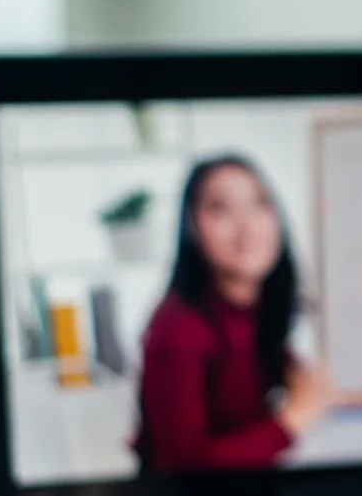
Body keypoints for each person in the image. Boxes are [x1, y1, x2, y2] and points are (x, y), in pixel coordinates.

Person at [134, 155, 330, 472]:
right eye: (221, 208)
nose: (246, 225)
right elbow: (183, 470)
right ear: (192, 227)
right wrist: (291, 421)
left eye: (260, 204)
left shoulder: (257, 305)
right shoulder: (178, 328)